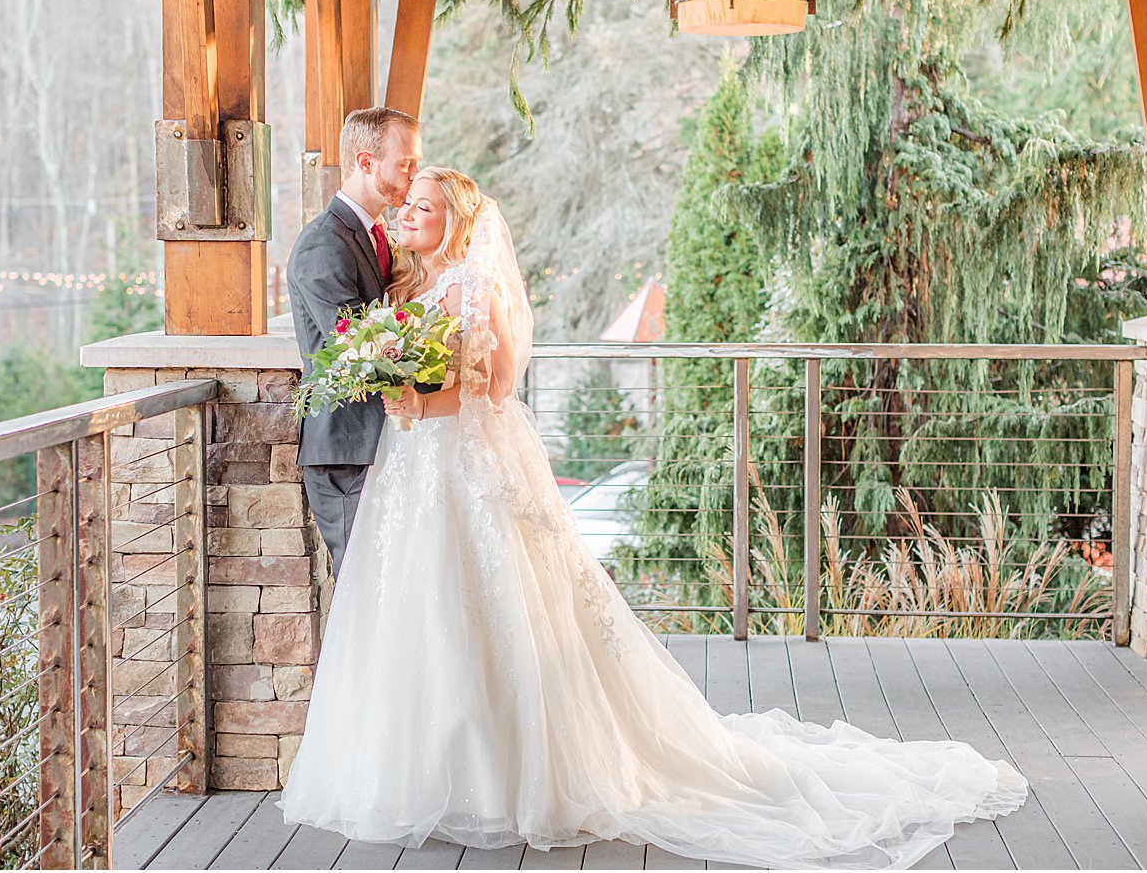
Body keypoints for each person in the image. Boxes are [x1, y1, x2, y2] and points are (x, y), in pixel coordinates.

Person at [277, 167, 1029, 869]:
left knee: (495, 607)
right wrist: (400, 386)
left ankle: (511, 773)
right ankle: (422, 769)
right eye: (408, 205)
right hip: (415, 468)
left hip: (467, 463)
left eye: (425, 207)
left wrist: (417, 400)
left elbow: (496, 385)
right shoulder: (418, 281)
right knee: (424, 612)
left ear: (458, 222)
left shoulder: (475, 286)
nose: (410, 211)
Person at [286, 106, 423, 578]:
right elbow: (359, 347)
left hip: (384, 441)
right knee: (365, 589)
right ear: (366, 163)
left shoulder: (377, 235)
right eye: (405, 162)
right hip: (347, 453)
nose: (414, 173)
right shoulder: (323, 244)